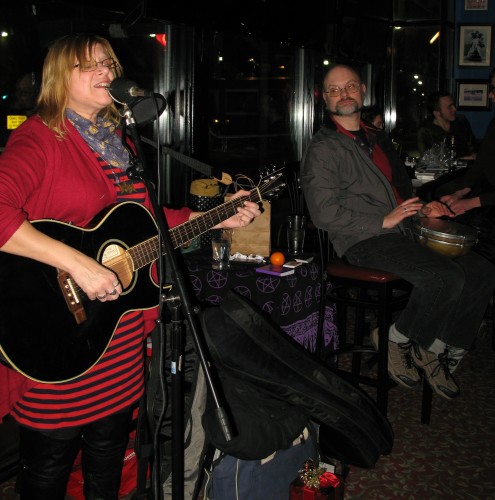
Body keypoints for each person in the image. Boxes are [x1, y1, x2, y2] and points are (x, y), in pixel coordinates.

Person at [0, 33, 260, 499]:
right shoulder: (38, 139)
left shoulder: (120, 142)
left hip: (116, 334)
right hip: (56, 331)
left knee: (109, 458)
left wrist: (219, 216)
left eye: (109, 62)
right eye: (90, 65)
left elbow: (147, 223)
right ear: (60, 77)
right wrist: (79, 264)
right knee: (49, 468)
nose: (106, 72)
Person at [300, 63, 495, 403]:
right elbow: (324, 213)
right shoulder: (323, 148)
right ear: (324, 99)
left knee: (481, 271)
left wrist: (422, 208)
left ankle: (438, 349)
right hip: (363, 240)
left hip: (403, 230)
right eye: (334, 89)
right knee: (444, 277)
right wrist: (382, 222)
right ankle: (397, 338)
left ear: (362, 91)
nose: (343, 94)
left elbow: (401, 188)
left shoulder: (376, 137)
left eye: (350, 86)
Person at [437, 67, 495, 264]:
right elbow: (480, 166)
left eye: (494, 88)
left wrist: (471, 202)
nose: (490, 94)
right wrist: (459, 193)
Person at [417, 91, 477, 159]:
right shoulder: (425, 132)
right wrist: (460, 160)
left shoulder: (461, 121)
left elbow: (473, 148)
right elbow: (426, 160)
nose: (454, 109)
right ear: (437, 113)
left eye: (453, 105)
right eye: (449, 107)